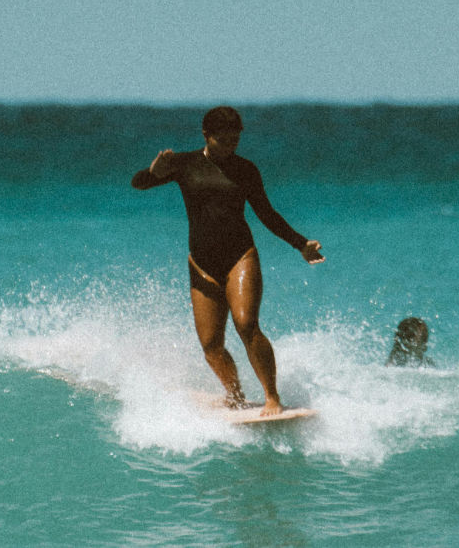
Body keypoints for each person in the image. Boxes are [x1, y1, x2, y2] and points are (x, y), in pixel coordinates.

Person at [131, 106, 324, 416]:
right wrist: (155, 171)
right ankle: (234, 394)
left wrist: (301, 244)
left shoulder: (246, 169)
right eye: (224, 140)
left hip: (239, 256)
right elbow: (138, 184)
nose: (231, 145)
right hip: (202, 263)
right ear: (207, 136)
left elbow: (266, 214)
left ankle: (273, 396)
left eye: (235, 139)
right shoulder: (184, 164)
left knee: (247, 324)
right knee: (211, 346)